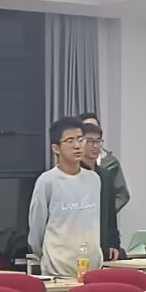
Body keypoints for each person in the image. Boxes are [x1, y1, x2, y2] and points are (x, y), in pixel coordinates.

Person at [28, 116, 103, 279]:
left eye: (80, 139)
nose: (77, 145)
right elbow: (36, 230)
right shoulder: (47, 181)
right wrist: (48, 255)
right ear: (56, 148)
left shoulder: (94, 179)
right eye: (70, 141)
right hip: (58, 270)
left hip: (92, 267)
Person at [78, 113, 129, 259]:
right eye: (90, 141)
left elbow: (110, 214)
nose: (95, 146)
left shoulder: (105, 175)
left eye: (98, 141)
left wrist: (114, 243)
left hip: (103, 240)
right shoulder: (74, 174)